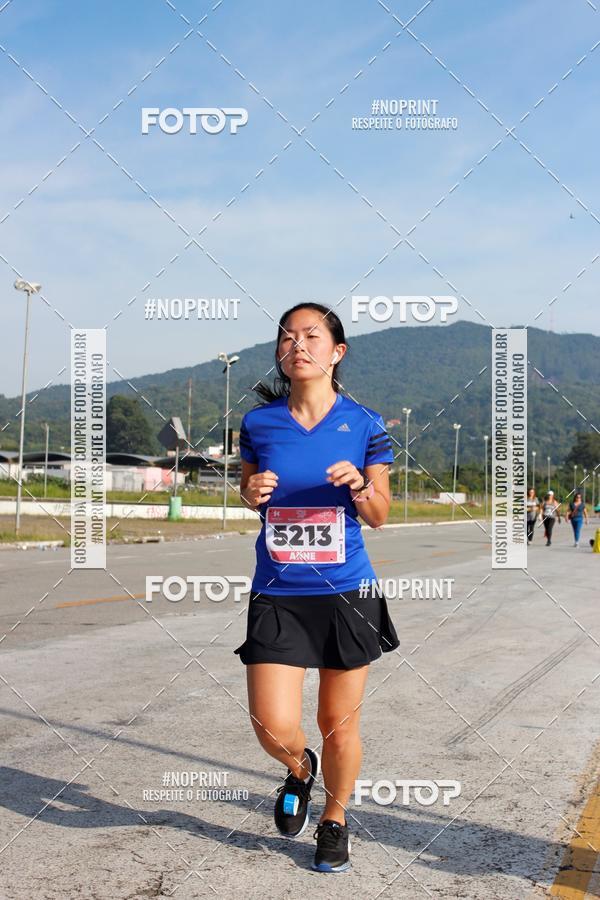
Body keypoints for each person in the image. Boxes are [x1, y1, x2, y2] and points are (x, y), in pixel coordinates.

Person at [235, 301, 399, 873]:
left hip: (346, 593)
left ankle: (335, 817)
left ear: (337, 351)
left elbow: (380, 514)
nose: (297, 345)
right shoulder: (258, 424)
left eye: (311, 335)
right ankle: (299, 768)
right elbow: (247, 492)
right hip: (278, 590)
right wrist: (252, 491)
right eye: (287, 337)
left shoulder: (365, 423)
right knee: (270, 723)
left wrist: (360, 487)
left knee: (340, 721)